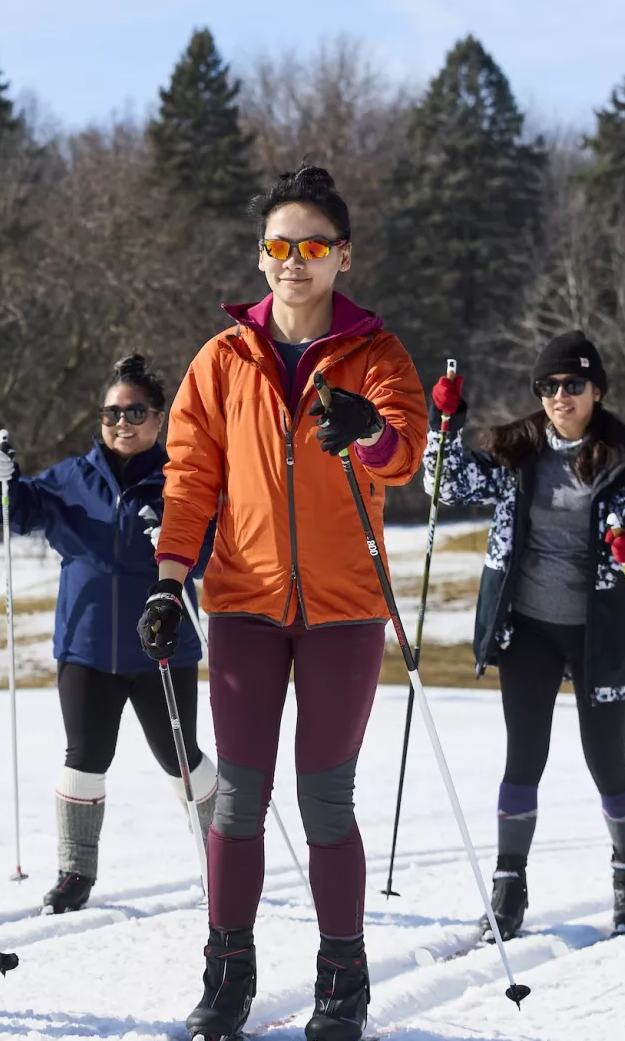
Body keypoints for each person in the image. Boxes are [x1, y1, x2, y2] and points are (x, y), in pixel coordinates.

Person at [139, 166, 427, 1041]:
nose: (293, 260)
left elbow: (405, 454)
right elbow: (190, 479)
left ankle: (343, 980)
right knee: (237, 800)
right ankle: (227, 975)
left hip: (345, 609)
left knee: (325, 800)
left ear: (343, 257)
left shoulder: (376, 356)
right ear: (261, 257)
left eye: (311, 245)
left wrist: (367, 431)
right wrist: (168, 581)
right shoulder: (222, 361)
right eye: (278, 244)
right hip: (245, 605)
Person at [418, 330, 625, 939]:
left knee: (606, 763)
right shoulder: (519, 450)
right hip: (528, 626)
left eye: (573, 384)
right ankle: (508, 890)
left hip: (601, 633)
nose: (561, 396)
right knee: (523, 757)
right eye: (549, 386)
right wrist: (444, 422)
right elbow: (443, 485)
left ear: (596, 390)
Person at [0, 355, 217, 915]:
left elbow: (207, 554)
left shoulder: (180, 479)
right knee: (85, 756)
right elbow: (14, 511)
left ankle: (221, 854)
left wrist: (172, 535)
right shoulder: (70, 479)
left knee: (179, 758)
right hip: (86, 647)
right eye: (112, 413)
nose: (122, 423)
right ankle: (75, 872)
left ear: (159, 418)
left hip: (161, 648)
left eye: (135, 412)